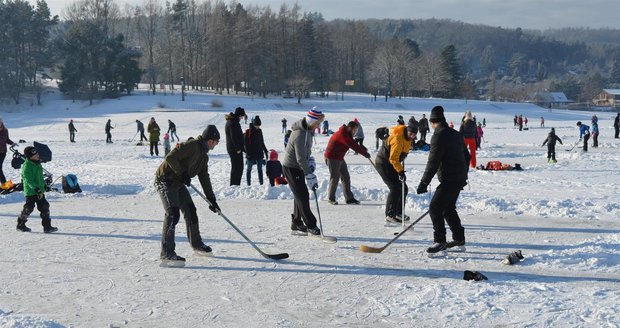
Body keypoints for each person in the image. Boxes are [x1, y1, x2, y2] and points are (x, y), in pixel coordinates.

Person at [154, 125, 222, 267]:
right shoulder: (192, 146)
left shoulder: (204, 157)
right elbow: (170, 157)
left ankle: (196, 243)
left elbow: (204, 178)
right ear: (210, 140)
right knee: (172, 214)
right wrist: (182, 173)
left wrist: (212, 200)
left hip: (178, 182)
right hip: (165, 179)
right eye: (216, 141)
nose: (216, 144)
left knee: (191, 210)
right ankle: (167, 253)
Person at [416, 106, 469, 254]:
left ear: (433, 122)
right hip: (458, 177)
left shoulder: (438, 135)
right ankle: (459, 238)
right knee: (448, 208)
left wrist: (424, 183)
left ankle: (440, 241)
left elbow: (433, 162)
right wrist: (464, 174)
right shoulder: (455, 134)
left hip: (450, 178)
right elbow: (467, 156)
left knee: (435, 207)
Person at [282, 107, 325, 236]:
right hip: (291, 167)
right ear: (311, 120)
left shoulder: (308, 131)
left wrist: (310, 160)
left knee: (299, 195)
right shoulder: (300, 134)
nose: (318, 126)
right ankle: (311, 225)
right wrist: (309, 174)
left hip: (298, 166)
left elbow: (306, 152)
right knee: (303, 196)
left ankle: (296, 222)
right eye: (317, 123)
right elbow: (300, 157)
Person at [375, 122, 417, 223]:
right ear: (407, 131)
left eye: (414, 134)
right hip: (383, 163)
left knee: (403, 188)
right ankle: (390, 214)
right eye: (410, 133)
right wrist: (400, 171)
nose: (412, 136)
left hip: (392, 164)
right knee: (395, 188)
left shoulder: (408, 139)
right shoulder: (398, 139)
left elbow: (399, 155)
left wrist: (400, 169)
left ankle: (398, 213)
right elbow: (393, 158)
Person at [324, 121, 371, 205]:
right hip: (332, 157)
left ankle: (349, 198)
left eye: (356, 130)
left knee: (346, 176)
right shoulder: (343, 135)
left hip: (339, 157)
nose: (355, 132)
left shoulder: (347, 134)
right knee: (335, 177)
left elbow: (354, 144)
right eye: (354, 130)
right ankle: (331, 198)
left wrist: (363, 149)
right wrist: (365, 153)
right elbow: (353, 145)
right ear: (349, 128)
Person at [16, 146, 58, 233]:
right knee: (29, 208)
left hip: (39, 191)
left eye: (37, 153)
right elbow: (28, 180)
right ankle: (20, 224)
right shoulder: (27, 166)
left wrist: (44, 186)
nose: (38, 155)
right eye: (35, 154)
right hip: (31, 192)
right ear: (30, 156)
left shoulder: (37, 164)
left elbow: (40, 178)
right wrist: (36, 189)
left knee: (44, 207)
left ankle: (47, 226)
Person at [244, 116, 269, 186]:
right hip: (250, 154)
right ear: (254, 124)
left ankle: (261, 183)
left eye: (259, 125)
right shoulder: (248, 131)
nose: (258, 127)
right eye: (257, 125)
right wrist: (248, 153)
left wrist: (266, 151)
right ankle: (248, 184)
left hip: (259, 153)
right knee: (249, 169)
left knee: (260, 169)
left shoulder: (260, 131)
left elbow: (262, 142)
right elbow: (245, 144)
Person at [225, 107, 246, 186]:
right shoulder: (232, 122)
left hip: (236, 148)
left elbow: (237, 136)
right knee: (237, 167)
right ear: (239, 115)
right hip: (234, 149)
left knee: (239, 167)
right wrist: (237, 148)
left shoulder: (234, 121)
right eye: (242, 116)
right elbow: (233, 136)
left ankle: (236, 184)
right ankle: (234, 184)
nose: (242, 118)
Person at [0, 118, 16, 185]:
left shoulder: (5, 130)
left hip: (2, 152)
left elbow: (7, 139)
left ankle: (4, 184)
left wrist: (12, 143)